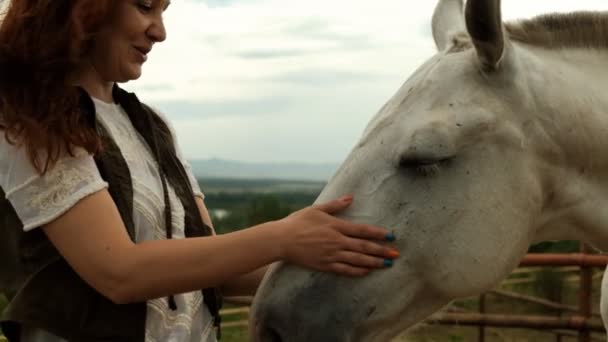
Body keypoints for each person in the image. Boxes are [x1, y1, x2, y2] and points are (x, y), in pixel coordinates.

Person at [0, 1, 400, 341]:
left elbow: (215, 271)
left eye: (164, 9)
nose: (159, 32)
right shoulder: (28, 119)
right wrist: (283, 236)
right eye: (144, 6)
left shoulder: (151, 126)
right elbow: (118, 272)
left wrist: (347, 258)